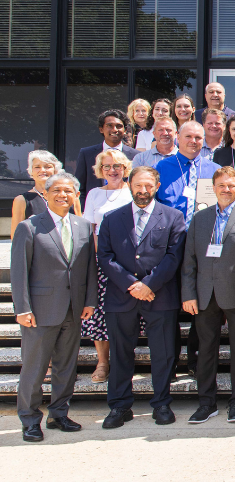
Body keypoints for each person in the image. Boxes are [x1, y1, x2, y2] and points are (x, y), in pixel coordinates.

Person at [97, 166, 187, 429]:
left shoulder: (173, 217)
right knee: (121, 353)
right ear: (129, 185)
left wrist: (149, 284)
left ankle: (161, 403)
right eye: (138, 185)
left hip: (159, 296)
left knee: (163, 353)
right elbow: (105, 257)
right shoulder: (112, 218)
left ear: (156, 186)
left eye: (149, 185)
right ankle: (119, 406)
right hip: (121, 296)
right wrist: (131, 284)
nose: (143, 190)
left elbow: (174, 257)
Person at [12, 172, 97, 442]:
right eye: (57, 190)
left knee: (66, 367)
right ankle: (29, 419)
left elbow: (89, 269)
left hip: (74, 310)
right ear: (46, 195)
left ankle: (59, 414)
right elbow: (19, 271)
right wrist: (22, 308)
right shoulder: (29, 226)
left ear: (76, 196)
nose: (63, 195)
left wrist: (90, 301)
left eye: (69, 191)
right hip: (39, 311)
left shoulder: (83, 226)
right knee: (35, 368)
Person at [181, 167, 235, 424]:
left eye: (231, 185)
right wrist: (189, 294)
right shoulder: (200, 218)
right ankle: (206, 403)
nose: (226, 189)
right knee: (206, 352)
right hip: (205, 295)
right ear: (214, 187)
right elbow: (189, 260)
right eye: (221, 185)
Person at [80, 149, 134, 383]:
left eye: (117, 166)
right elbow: (89, 229)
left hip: (129, 263)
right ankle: (103, 362)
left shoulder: (133, 191)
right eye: (107, 166)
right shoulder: (93, 194)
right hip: (101, 262)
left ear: (125, 168)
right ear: (100, 170)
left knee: (129, 314)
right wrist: (99, 258)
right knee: (99, 314)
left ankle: (125, 361)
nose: (112, 171)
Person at [154, 121, 220, 224]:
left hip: (205, 230)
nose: (193, 141)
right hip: (169, 231)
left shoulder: (215, 170)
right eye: (188, 136)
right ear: (178, 138)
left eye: (198, 137)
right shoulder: (160, 168)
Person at [74, 109, 137, 197]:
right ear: (101, 129)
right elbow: (79, 187)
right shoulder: (86, 154)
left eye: (119, 126)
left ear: (125, 129)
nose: (115, 130)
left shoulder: (136, 156)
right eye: (109, 126)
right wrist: (85, 208)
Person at [12, 151, 75, 227]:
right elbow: (17, 235)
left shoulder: (71, 196)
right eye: (37, 167)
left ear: (55, 170)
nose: (42, 170)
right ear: (31, 171)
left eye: (47, 167)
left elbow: (79, 229)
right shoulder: (21, 200)